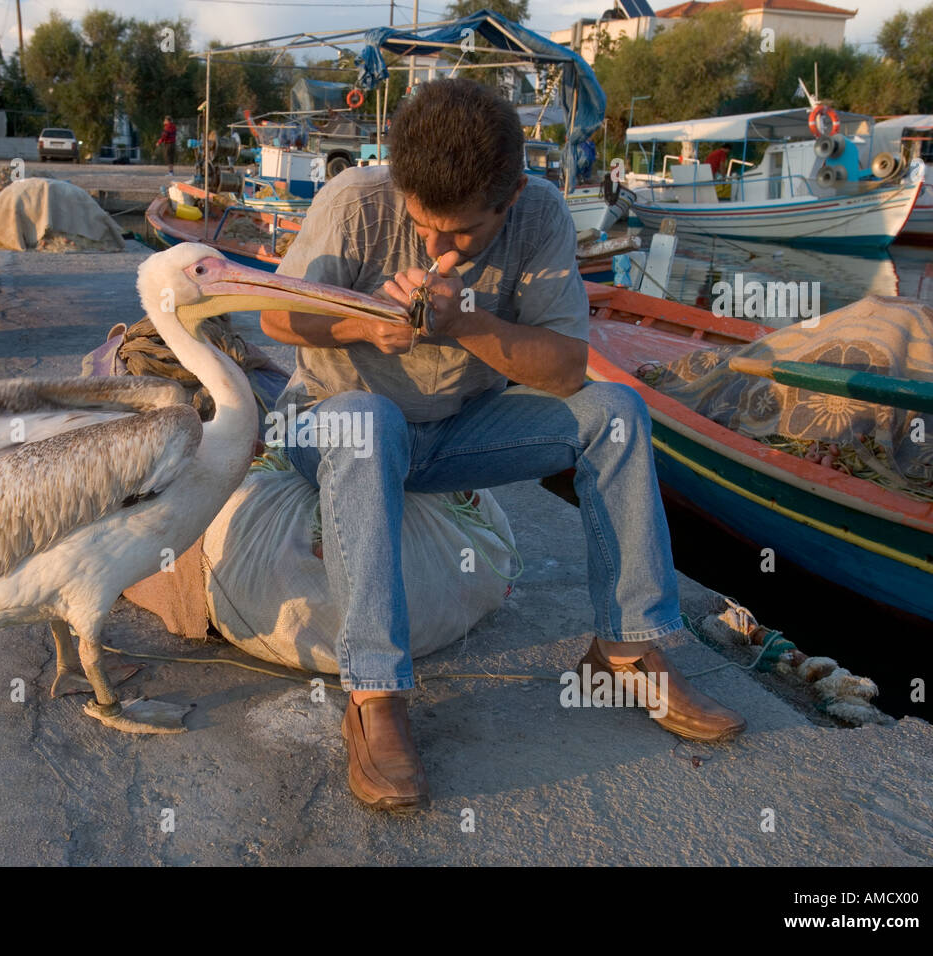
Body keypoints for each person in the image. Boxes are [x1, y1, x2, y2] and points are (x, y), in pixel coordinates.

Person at [260, 78, 746, 813]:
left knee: (617, 412)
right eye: (424, 226)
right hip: (332, 421)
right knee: (369, 419)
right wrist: (363, 323)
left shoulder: (542, 214)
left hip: (453, 432)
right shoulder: (355, 200)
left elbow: (565, 371)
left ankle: (626, 646)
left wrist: (464, 325)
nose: (436, 247)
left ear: (511, 194)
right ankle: (374, 693)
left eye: (459, 233)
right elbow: (274, 318)